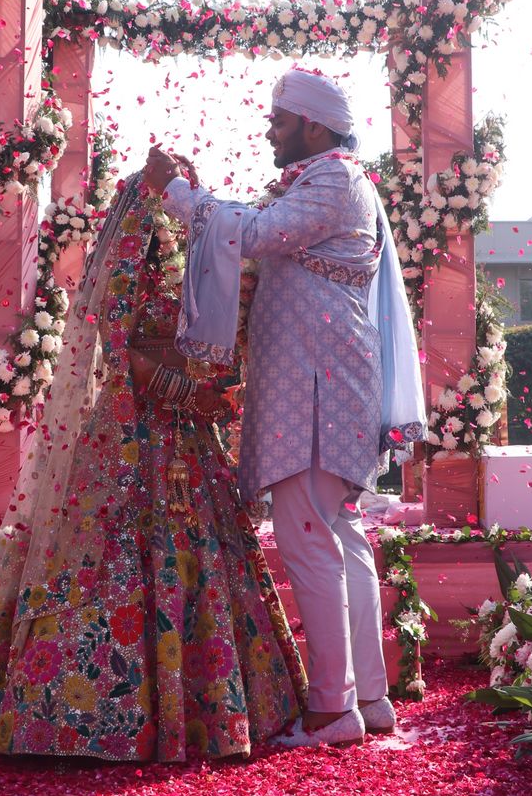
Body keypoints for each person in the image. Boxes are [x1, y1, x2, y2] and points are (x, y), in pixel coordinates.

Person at [0, 174, 305, 762]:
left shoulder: (195, 272)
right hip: (130, 435)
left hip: (189, 440)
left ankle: (209, 709)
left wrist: (218, 387)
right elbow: (126, 354)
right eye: (159, 214)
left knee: (199, 551)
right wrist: (193, 395)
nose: (165, 227)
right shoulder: (124, 274)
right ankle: (84, 712)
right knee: (105, 555)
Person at [145, 67, 425, 749]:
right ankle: (368, 697)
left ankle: (332, 710)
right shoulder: (327, 182)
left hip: (315, 400)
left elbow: (257, 233)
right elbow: (257, 225)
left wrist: (176, 193)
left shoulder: (333, 181)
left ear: (315, 126)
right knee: (342, 538)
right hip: (325, 394)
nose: (269, 129)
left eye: (279, 119)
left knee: (309, 543)